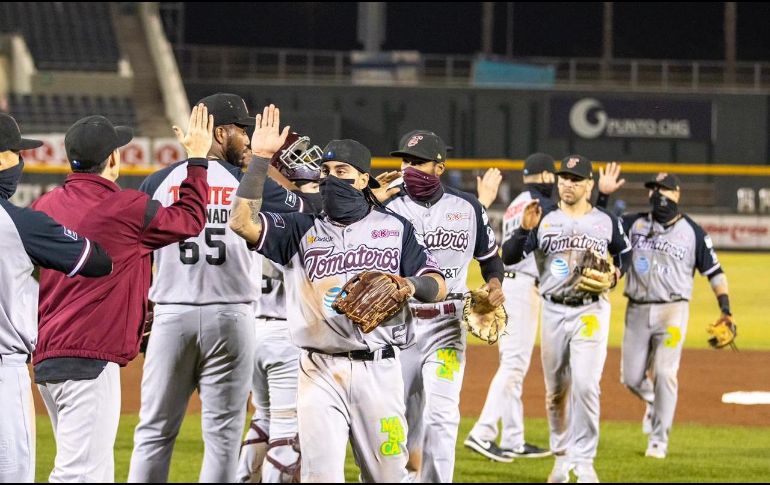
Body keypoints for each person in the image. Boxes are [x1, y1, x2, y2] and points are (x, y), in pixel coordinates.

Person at [229, 108, 447, 482]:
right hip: (318, 370)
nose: (331, 180)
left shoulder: (395, 228)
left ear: (363, 179)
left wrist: (410, 285)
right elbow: (242, 222)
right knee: (320, 476)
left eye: (342, 172)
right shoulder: (300, 228)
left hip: (379, 369)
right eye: (326, 173)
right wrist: (261, 159)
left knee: (387, 477)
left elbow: (437, 282)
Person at [126, 95, 308, 484]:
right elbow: (308, 210)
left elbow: (138, 249)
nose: (247, 138)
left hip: (172, 314)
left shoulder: (158, 181)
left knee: (154, 430)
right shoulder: (248, 182)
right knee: (224, 434)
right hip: (232, 315)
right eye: (241, 131)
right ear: (220, 132)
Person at [31, 107, 213, 482]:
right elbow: (191, 219)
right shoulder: (126, 206)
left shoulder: (44, 205)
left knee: (93, 472)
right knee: (78, 475)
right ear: (112, 158)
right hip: (89, 358)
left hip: (48, 357)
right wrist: (197, 162)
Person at [382, 130, 504, 483]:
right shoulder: (388, 207)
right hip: (398, 323)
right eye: (405, 161)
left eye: (418, 162)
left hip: (448, 324)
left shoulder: (467, 207)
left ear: (439, 167)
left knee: (442, 415)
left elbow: (490, 259)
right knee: (397, 416)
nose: (409, 168)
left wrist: (495, 284)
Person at [505, 155, 631, 483]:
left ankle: (585, 461)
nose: (567, 184)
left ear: (589, 184)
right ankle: (561, 457)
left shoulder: (606, 221)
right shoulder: (543, 219)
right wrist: (522, 230)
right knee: (556, 392)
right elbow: (509, 255)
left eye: (575, 179)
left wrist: (617, 273)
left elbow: (625, 252)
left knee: (587, 386)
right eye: (564, 178)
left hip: (590, 310)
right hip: (553, 311)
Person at [0, 113, 112, 483]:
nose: (21, 160)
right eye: (17, 153)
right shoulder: (20, 223)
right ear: (2, 159)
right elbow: (96, 260)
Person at [596, 163, 732, 459]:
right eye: (653, 189)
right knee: (631, 378)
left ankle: (659, 439)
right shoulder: (634, 223)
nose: (657, 194)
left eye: (663, 190)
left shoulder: (693, 232)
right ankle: (654, 405)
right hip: (637, 310)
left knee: (665, 373)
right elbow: (598, 228)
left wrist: (726, 309)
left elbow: (715, 272)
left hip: (673, 311)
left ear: (677, 194)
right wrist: (603, 197)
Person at [236, 133, 324, 483]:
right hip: (286, 332)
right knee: (289, 430)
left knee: (264, 418)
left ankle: (243, 477)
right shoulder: (298, 208)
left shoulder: (251, 203)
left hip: (254, 327)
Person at [465, 153, 556, 462]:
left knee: (511, 364)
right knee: (514, 366)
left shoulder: (517, 201)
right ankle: (483, 432)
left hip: (510, 284)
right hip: (521, 287)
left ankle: (514, 439)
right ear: (547, 177)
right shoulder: (542, 205)